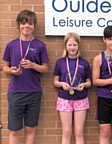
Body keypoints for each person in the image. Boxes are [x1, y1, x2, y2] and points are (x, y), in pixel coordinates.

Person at [2, 10, 49, 144]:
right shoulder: (11, 45)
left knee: (30, 129)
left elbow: (46, 68)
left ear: (34, 26)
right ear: (18, 25)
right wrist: (11, 71)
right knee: (14, 130)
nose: (26, 26)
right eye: (23, 23)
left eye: (30, 23)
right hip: (16, 93)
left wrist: (34, 65)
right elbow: (5, 66)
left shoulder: (40, 45)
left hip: (34, 93)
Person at [53, 32, 92, 144]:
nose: (72, 48)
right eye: (69, 45)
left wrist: (84, 85)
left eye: (75, 45)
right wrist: (62, 84)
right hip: (64, 99)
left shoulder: (84, 63)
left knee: (79, 131)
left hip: (81, 99)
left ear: (78, 46)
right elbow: (55, 81)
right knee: (66, 131)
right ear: (65, 46)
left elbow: (89, 82)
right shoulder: (60, 62)